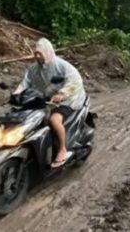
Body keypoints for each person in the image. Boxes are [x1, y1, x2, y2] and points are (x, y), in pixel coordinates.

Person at [13, 38, 87, 168]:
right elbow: (25, 83)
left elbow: (75, 80)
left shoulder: (61, 65)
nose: (37, 56)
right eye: (35, 53)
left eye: (40, 53)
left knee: (54, 120)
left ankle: (62, 149)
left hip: (68, 99)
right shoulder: (33, 69)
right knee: (28, 119)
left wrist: (62, 93)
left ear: (48, 52)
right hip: (47, 99)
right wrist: (16, 94)